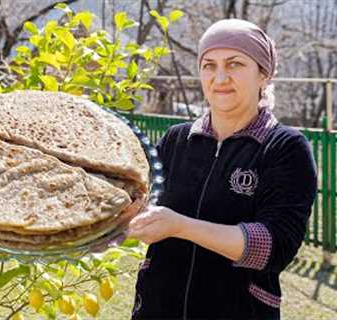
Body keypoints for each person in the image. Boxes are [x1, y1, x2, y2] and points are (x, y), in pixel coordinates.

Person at [128, 19, 317, 320]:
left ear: (263, 75)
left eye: (235, 64)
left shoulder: (284, 147)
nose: (220, 78)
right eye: (209, 65)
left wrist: (179, 226)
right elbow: (133, 202)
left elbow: (274, 246)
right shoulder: (176, 140)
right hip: (157, 307)